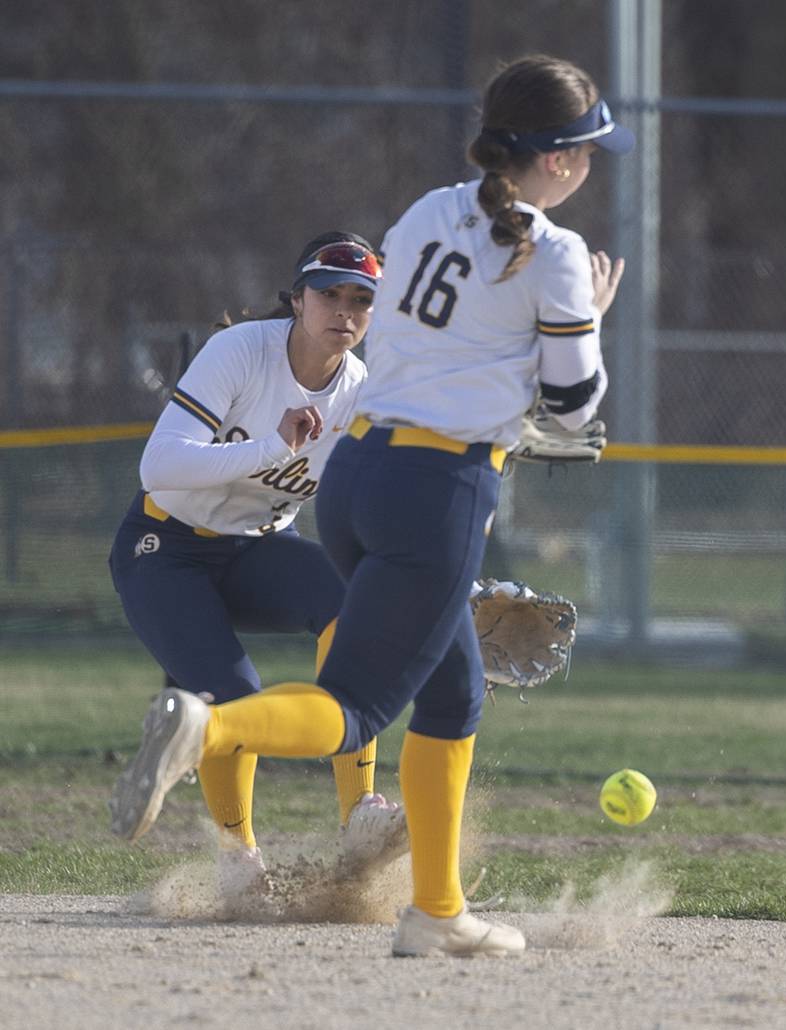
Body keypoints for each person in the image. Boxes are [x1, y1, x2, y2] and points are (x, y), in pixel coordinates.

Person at [110, 53, 633, 955]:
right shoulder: (550, 255)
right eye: (586, 149)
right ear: (555, 160)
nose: (591, 163)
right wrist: (587, 315)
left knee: (454, 692)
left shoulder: (429, 212)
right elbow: (576, 410)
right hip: (437, 484)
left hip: (359, 474)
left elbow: (425, 356)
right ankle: (212, 726)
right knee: (354, 703)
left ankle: (435, 908)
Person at [109, 231, 406, 896]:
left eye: (362, 299)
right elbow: (159, 466)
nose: (346, 310)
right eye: (330, 292)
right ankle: (239, 861)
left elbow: (370, 505)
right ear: (297, 298)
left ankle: (360, 812)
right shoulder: (241, 351)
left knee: (351, 602)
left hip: (253, 546)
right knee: (235, 699)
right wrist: (271, 447)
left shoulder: (359, 391)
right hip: (163, 548)